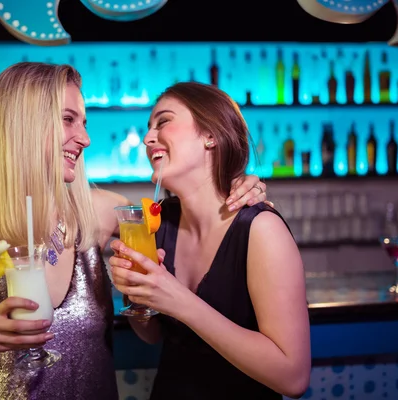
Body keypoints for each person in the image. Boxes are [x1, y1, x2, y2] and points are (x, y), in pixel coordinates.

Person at [0, 63, 269, 400]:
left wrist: (239, 185)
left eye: (83, 122)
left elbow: (183, 212)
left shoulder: (101, 213)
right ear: (21, 124)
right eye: (69, 120)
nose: (84, 138)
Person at [109, 82, 311, 399]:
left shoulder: (260, 230)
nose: (148, 138)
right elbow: (153, 335)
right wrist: (136, 294)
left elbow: (293, 378)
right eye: (149, 128)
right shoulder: (159, 221)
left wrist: (182, 302)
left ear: (211, 135)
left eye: (162, 122)